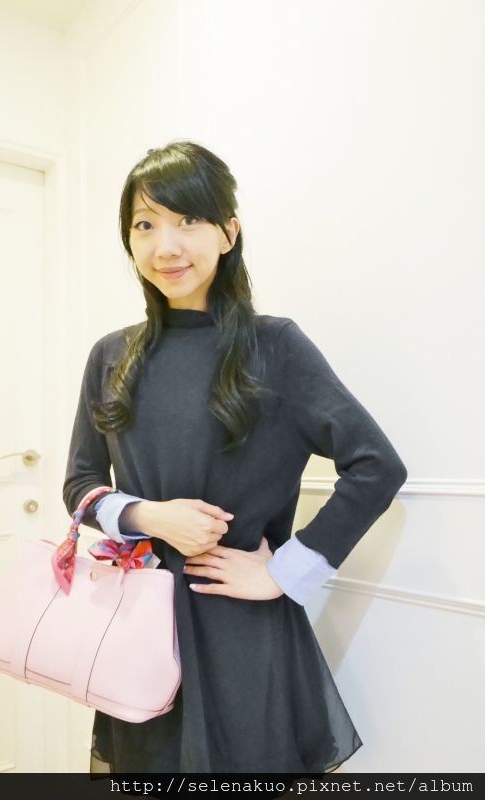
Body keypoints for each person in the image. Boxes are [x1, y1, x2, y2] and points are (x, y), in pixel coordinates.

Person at [63, 140, 408, 774]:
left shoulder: (273, 347)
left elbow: (377, 466)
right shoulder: (111, 355)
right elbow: (80, 485)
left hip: (240, 630)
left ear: (228, 232)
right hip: (139, 625)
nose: (166, 246)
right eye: (145, 225)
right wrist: (147, 516)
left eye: (188, 219)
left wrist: (286, 571)